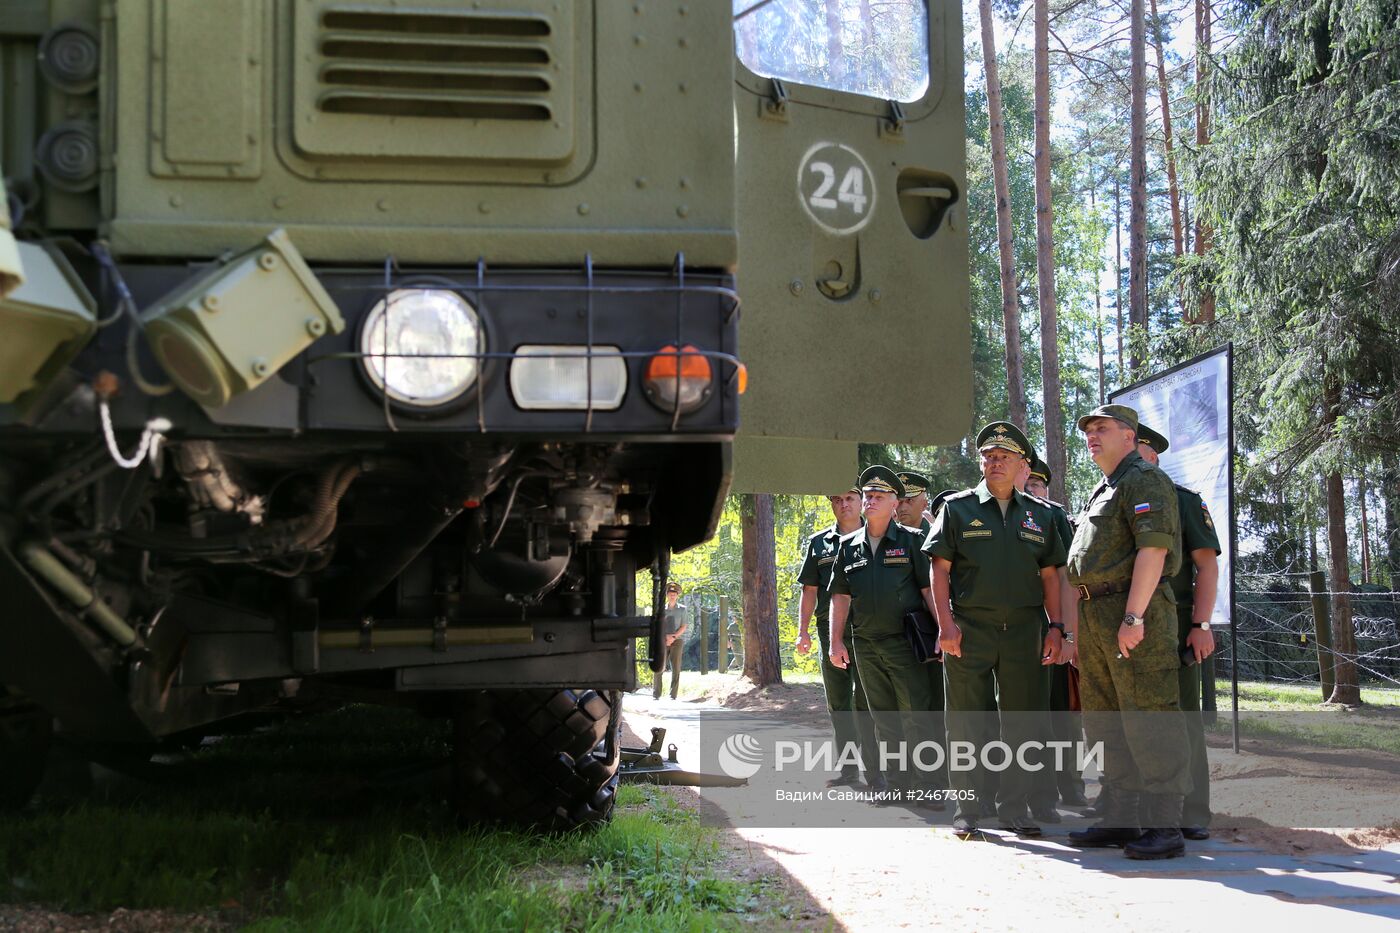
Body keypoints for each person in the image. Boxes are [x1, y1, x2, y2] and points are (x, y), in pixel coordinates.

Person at [923, 422, 1067, 838]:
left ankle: (1014, 807)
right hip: (970, 627)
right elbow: (940, 568)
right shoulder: (959, 508)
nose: (996, 462)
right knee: (966, 720)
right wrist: (945, 624)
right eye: (989, 456)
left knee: (1023, 721)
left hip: (1025, 629)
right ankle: (967, 808)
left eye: (1005, 456)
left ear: (1023, 464)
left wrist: (1056, 628)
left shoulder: (1041, 515)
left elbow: (1051, 578)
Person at [1065, 403, 1191, 860]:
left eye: (1102, 428)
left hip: (1132, 613)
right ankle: (1120, 816)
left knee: (1149, 715)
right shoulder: (1105, 488)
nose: (1092, 436)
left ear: (1128, 435)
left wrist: (1134, 617)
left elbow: (1153, 552)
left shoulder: (1144, 479)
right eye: (1088, 430)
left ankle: (1164, 825)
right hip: (1097, 615)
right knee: (1105, 719)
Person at [828, 465, 940, 805]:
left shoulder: (913, 541)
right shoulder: (849, 546)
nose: (870, 501)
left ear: (895, 504)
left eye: (879, 496)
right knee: (883, 718)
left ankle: (928, 785)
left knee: (916, 716)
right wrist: (835, 641)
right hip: (865, 644)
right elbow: (840, 596)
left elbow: (928, 590)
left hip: (904, 643)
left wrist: (944, 630)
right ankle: (898, 784)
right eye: (868, 496)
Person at [1136, 423, 1220, 840]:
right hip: (1131, 626)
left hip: (1178, 624)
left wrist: (1201, 624)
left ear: (1151, 456)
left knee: (1183, 717)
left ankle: (1193, 809)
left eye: (1137, 450)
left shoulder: (1183, 501)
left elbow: (1206, 564)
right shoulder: (1120, 501)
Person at [796, 483, 881, 788]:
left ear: (860, 502)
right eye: (837, 499)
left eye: (850, 498)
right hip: (829, 632)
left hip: (870, 630)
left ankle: (876, 772)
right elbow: (809, 591)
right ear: (831, 504)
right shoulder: (819, 544)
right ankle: (848, 770)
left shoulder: (878, 536)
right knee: (839, 701)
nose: (844, 504)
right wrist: (802, 632)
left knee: (869, 700)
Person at [1020, 453, 1090, 813]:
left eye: (1037, 484)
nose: (1031, 489)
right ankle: (1033, 788)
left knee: (1063, 716)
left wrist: (1070, 636)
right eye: (1027, 482)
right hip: (1021, 629)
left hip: (1056, 628)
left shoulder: (1055, 517)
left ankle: (1072, 786)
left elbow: (1070, 578)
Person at [653, 582, 687, 700]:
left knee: (676, 668)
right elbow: (658, 624)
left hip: (677, 640)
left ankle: (673, 695)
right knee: (659, 665)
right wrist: (665, 637)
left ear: (677, 595)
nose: (672, 595)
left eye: (674, 594)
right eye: (670, 593)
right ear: (667, 595)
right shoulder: (661, 608)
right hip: (663, 640)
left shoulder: (682, 610)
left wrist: (673, 637)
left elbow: (684, 626)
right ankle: (656, 694)